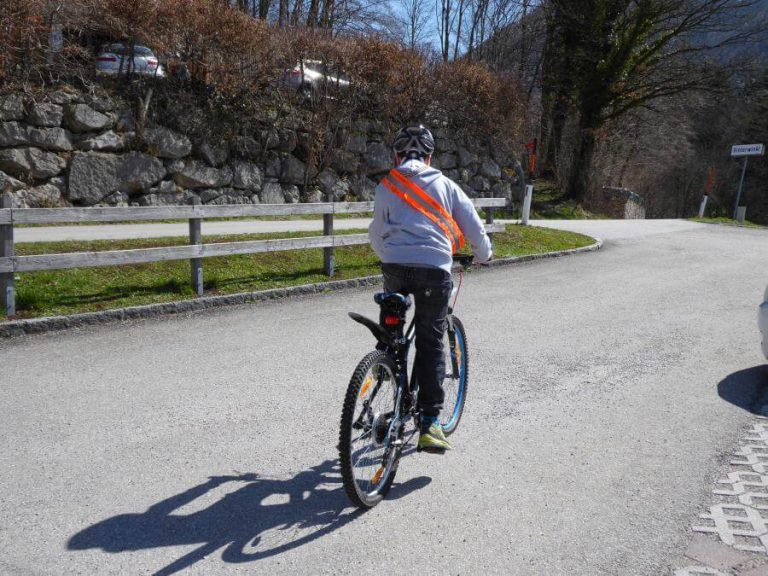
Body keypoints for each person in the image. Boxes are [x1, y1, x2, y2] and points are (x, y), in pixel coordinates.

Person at [368, 125, 492, 453]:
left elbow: (376, 233)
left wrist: (390, 258)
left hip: (394, 268)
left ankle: (384, 382)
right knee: (430, 341)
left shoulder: (386, 186)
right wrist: (484, 254)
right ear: (429, 156)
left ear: (396, 155)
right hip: (433, 273)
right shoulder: (446, 185)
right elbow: (474, 229)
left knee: (392, 333)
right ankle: (430, 423)